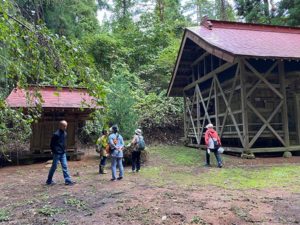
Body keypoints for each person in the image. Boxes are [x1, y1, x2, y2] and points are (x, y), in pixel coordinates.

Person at [46, 120, 76, 185]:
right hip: (57, 153)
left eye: (66, 126)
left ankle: (67, 180)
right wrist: (55, 151)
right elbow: (52, 144)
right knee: (54, 167)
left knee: (65, 166)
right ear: (60, 126)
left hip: (63, 153)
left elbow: (63, 143)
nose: (65, 127)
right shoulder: (56, 134)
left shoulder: (65, 133)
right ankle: (49, 180)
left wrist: (64, 150)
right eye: (64, 126)